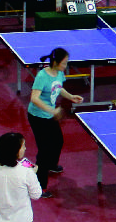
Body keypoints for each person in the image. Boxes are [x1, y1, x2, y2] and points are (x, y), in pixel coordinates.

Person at [26, 46, 83, 198]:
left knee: (58, 141)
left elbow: (58, 88)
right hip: (37, 117)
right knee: (44, 150)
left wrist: (70, 96)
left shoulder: (59, 73)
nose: (66, 65)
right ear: (56, 62)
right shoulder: (42, 76)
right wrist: (52, 111)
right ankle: (39, 187)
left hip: (50, 115)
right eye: (64, 63)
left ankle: (51, 165)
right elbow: (34, 98)